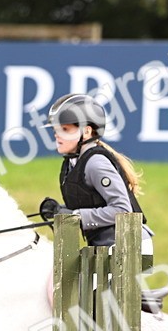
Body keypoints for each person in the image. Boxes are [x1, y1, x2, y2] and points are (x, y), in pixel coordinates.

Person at [39, 93, 154, 255]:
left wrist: (76, 216)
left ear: (86, 132)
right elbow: (91, 204)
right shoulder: (72, 162)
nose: (56, 135)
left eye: (64, 129)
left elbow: (122, 209)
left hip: (127, 244)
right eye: (55, 129)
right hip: (106, 246)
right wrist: (59, 210)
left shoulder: (95, 163)